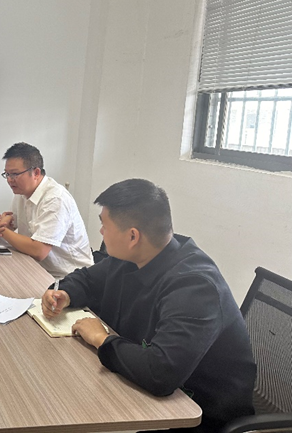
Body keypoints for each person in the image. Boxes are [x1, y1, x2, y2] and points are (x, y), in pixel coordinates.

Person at [41, 179, 255, 432]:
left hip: (196, 412)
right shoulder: (134, 255)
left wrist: (101, 339)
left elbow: (161, 372)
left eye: (104, 225)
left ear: (133, 236)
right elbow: (88, 279)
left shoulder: (195, 287)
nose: (101, 232)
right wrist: (64, 293)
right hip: (138, 386)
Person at [0, 142, 92, 280]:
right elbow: (11, 226)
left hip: (67, 278)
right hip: (35, 268)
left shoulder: (56, 199)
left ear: (36, 173)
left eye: (14, 174)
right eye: (7, 174)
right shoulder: (21, 192)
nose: (9, 180)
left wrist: (2, 230)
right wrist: (1, 224)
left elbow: (39, 251)